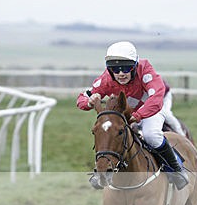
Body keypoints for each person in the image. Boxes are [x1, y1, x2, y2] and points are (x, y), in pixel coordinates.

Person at [76, 41, 189, 189]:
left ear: (135, 66)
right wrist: (89, 102)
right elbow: (82, 98)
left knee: (151, 135)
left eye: (126, 68)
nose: (121, 73)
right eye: (115, 69)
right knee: (109, 132)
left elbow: (155, 100)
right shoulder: (106, 79)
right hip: (130, 110)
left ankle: (176, 169)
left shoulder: (146, 71)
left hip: (153, 106)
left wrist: (138, 116)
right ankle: (102, 171)